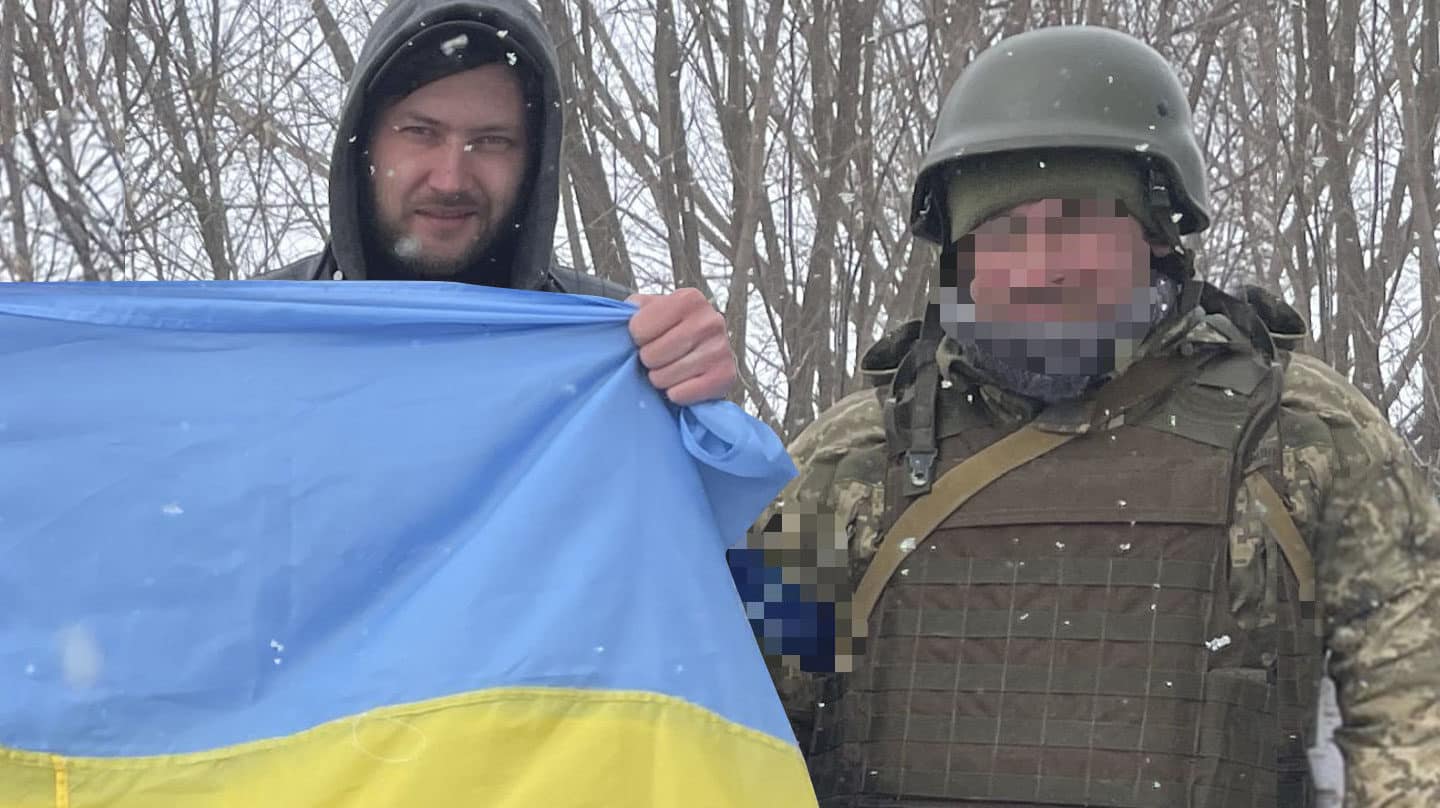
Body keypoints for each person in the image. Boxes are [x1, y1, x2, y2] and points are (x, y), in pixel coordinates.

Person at [740, 24, 1440, 808]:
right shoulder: (857, 458)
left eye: (1078, 222)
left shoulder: (1302, 434)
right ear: (959, 261)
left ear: (1157, 236)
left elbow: (1415, 714)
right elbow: (745, 721)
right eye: (1005, 234)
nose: (1044, 267)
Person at [258, 0, 735, 406]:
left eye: (491, 141)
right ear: (364, 146)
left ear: (533, 162)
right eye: (421, 132)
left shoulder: (614, 355)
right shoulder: (258, 344)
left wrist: (702, 413)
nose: (450, 179)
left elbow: (764, 519)